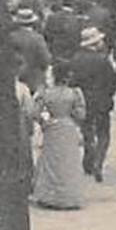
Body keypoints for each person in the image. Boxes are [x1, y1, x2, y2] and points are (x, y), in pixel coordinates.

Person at [32, 65, 86, 210]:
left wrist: (45, 121)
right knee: (69, 162)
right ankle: (69, 196)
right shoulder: (74, 93)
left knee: (51, 161)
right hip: (68, 126)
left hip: (52, 127)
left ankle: (50, 196)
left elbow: (35, 112)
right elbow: (81, 115)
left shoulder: (46, 93)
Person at [67, 26, 116, 182]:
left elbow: (73, 81)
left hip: (83, 99)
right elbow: (112, 81)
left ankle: (89, 159)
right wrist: (109, 95)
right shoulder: (103, 60)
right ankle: (98, 162)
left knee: (87, 131)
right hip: (101, 100)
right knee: (103, 133)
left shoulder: (76, 59)